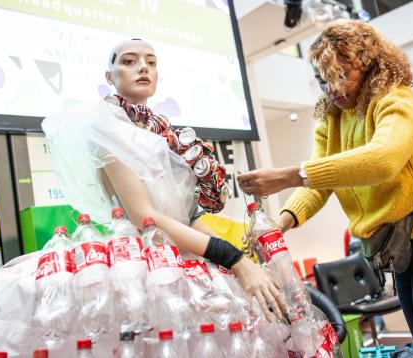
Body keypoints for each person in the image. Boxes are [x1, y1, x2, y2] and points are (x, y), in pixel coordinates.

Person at [237, 20, 413, 357]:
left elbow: (383, 159)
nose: (332, 89)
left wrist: (288, 175)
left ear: (367, 66)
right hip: (406, 250)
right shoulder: (332, 119)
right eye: (323, 81)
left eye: (340, 76)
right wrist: (279, 226)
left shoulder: (397, 99)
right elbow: (319, 183)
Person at [42, 39, 286, 321]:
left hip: (188, 258)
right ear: (110, 77)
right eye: (129, 61)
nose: (143, 67)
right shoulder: (107, 129)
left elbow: (188, 217)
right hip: (146, 264)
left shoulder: (161, 131)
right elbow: (144, 216)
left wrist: (239, 262)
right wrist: (232, 258)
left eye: (151, 62)